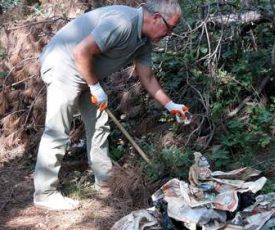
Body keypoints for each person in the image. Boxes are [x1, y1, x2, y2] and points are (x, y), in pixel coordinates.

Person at [33, 0, 189, 211]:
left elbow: (147, 77)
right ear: (155, 18)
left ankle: (105, 182)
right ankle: (45, 193)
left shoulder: (144, 41)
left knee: (99, 124)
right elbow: (80, 52)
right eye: (170, 28)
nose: (169, 34)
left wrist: (170, 105)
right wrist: (95, 87)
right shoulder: (122, 23)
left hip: (86, 72)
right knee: (58, 129)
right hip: (63, 65)